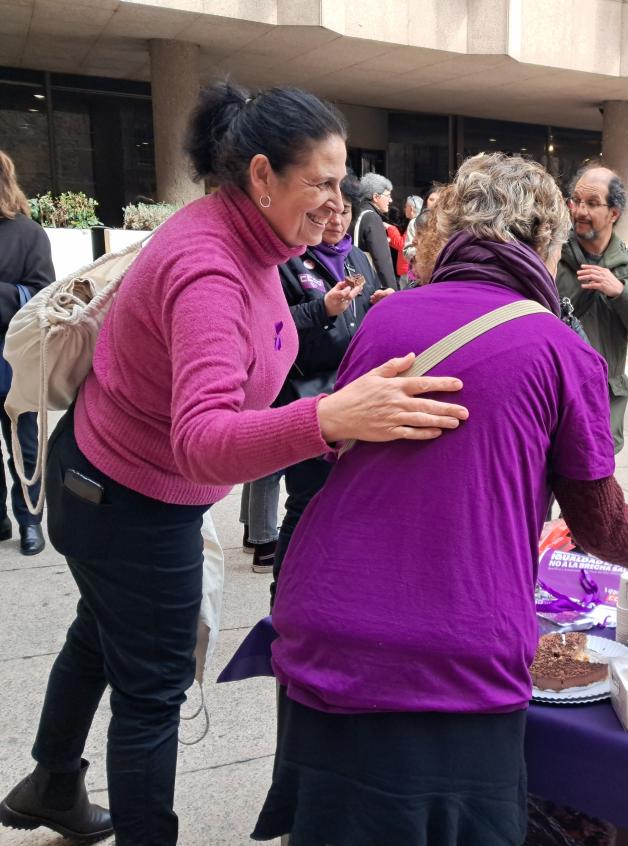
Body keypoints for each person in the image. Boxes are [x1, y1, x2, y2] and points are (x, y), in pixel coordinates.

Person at [0, 81, 469, 846]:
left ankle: (52, 781)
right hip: (130, 501)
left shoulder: (249, 239)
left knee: (99, 633)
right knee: (153, 691)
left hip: (103, 483)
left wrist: (340, 369)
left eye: (342, 182)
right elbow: (203, 438)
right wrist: (329, 418)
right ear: (261, 176)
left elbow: (263, 358)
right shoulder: (212, 268)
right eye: (321, 182)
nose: (337, 202)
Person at [253, 152, 628, 845]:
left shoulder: (386, 319)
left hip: (329, 624)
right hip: (457, 650)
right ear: (546, 242)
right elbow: (598, 524)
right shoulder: (561, 349)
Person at [271, 173, 394, 593]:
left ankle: (333, 588)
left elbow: (366, 315)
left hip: (356, 395)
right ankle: (284, 594)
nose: (336, 220)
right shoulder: (287, 259)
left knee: (351, 501)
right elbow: (273, 328)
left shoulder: (357, 258)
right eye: (327, 212)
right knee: (307, 502)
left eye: (344, 211)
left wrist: (383, 307)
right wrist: (321, 309)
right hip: (308, 399)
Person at [556, 166, 628, 452]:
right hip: (552, 400)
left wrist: (621, 292)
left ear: (614, 213)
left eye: (592, 203)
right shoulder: (549, 255)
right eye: (576, 200)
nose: (580, 211)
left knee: (598, 479)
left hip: (603, 411)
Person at [0, 149, 50, 556]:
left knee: (25, 444)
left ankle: (30, 520)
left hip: (13, 359)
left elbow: (42, 296)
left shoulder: (28, 233)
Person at [352, 172, 398, 290]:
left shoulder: (355, 213)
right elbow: (382, 260)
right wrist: (392, 289)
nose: (391, 200)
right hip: (367, 282)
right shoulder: (372, 217)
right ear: (376, 197)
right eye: (388, 195)